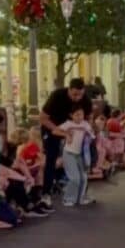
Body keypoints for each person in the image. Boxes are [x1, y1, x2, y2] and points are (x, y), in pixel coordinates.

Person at [39, 78, 92, 207]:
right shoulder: (57, 96)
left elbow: (89, 117)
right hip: (52, 127)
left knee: (79, 157)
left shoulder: (85, 100)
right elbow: (43, 118)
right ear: (69, 90)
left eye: (80, 94)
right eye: (74, 94)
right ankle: (46, 193)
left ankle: (80, 192)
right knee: (51, 158)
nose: (77, 97)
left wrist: (86, 132)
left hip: (73, 131)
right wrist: (60, 131)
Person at [52, 108, 95, 208]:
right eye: (77, 115)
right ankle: (68, 198)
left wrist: (89, 133)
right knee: (75, 178)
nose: (79, 117)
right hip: (68, 153)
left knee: (83, 178)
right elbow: (55, 131)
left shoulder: (85, 124)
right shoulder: (68, 124)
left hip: (79, 154)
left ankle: (81, 198)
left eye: (81, 114)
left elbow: (92, 137)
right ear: (72, 115)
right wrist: (66, 134)